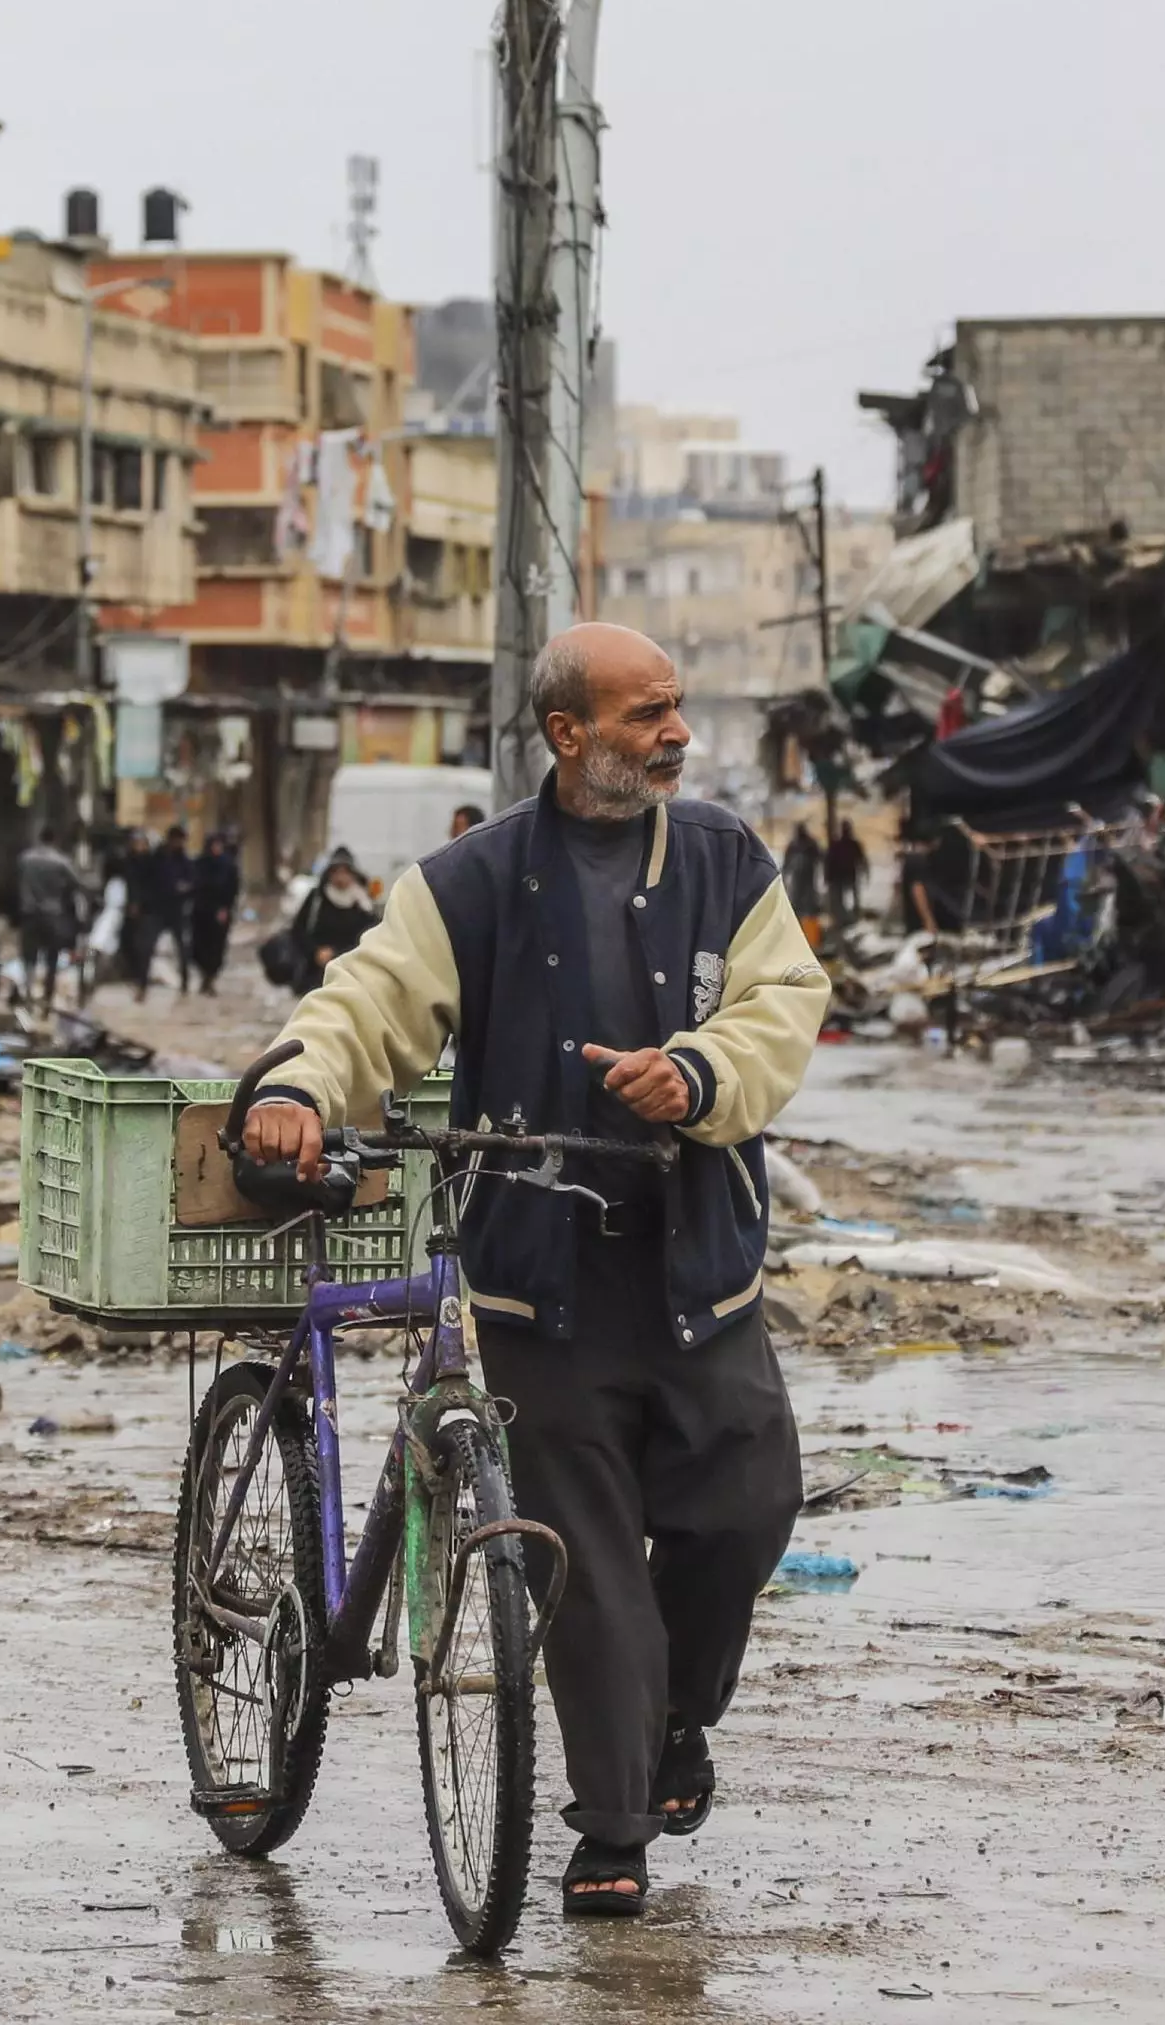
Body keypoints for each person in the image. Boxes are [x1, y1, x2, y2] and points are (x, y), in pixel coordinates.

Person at [236, 624, 828, 1920]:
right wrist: (293, 1084)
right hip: (539, 1281)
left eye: (676, 709)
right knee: (589, 1555)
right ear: (570, 735)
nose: (675, 733)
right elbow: (368, 1002)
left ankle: (679, 1720)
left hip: (698, 1261)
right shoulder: (474, 879)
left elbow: (783, 1005)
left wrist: (701, 1074)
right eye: (646, 714)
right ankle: (611, 1825)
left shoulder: (725, 857)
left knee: (749, 1500)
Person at [4, 836, 91, 1004]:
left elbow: (13, 883)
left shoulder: (25, 859)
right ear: (54, 842)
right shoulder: (61, 862)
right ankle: (47, 996)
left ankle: (28, 994)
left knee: (29, 957)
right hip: (53, 915)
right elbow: (76, 884)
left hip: (29, 914)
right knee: (52, 957)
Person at [117, 826, 186, 996]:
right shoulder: (151, 860)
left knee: (183, 948)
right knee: (144, 948)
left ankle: (185, 982)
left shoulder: (182, 860)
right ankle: (142, 984)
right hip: (154, 910)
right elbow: (138, 880)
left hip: (175, 909)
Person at [292, 846, 383, 970]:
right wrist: (315, 952)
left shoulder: (362, 902)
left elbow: (373, 936)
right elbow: (298, 930)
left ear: (353, 874)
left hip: (352, 971)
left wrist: (339, 953)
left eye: (345, 872)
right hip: (317, 974)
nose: (340, 877)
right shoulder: (317, 897)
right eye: (336, 871)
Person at [181, 829, 241, 994]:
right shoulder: (200, 864)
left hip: (219, 914)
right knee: (198, 947)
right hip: (200, 912)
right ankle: (203, 976)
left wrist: (225, 909)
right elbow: (194, 885)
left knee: (216, 949)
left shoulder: (228, 866)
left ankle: (210, 979)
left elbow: (233, 889)